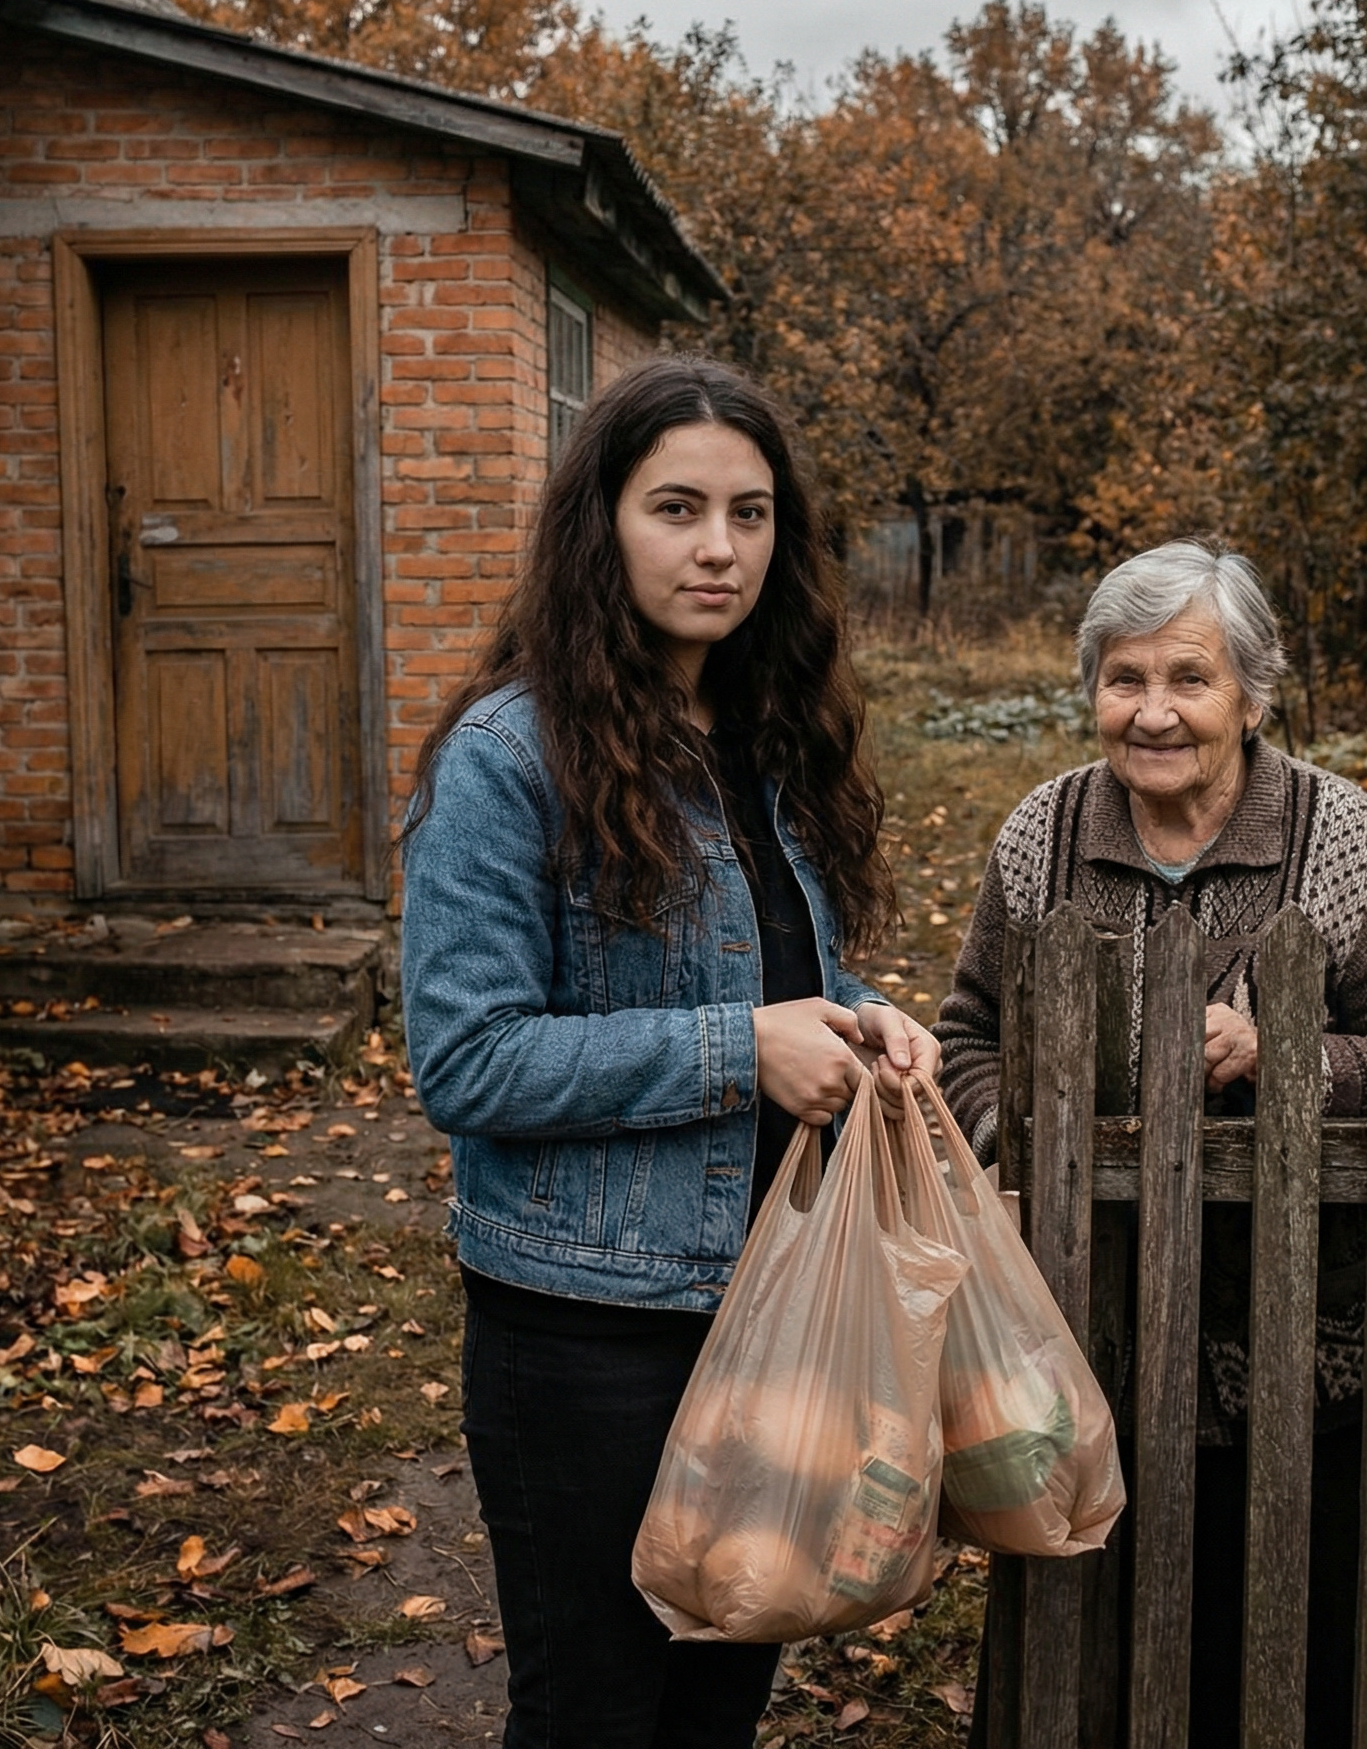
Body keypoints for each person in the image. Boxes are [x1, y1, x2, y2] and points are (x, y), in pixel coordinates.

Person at [401, 353, 936, 1749]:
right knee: (595, 1714)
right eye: (679, 508)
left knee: (719, 1697)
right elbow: (468, 1061)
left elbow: (761, 969)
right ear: (604, 525)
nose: (719, 549)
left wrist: (863, 1015)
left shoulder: (765, 737)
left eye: (751, 515)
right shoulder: (510, 757)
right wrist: (736, 1052)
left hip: (765, 1300)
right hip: (587, 1333)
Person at [935, 540, 1367, 1748]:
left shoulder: (1339, 838)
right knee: (1088, 1664)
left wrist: (1288, 1054)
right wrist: (1014, 1137)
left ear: (1249, 691)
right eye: (1121, 678)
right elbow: (965, 1031)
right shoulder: (1043, 833)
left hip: (1301, 1342)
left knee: (1299, 1655)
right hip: (1087, 1333)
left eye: (1188, 677)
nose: (1152, 712)